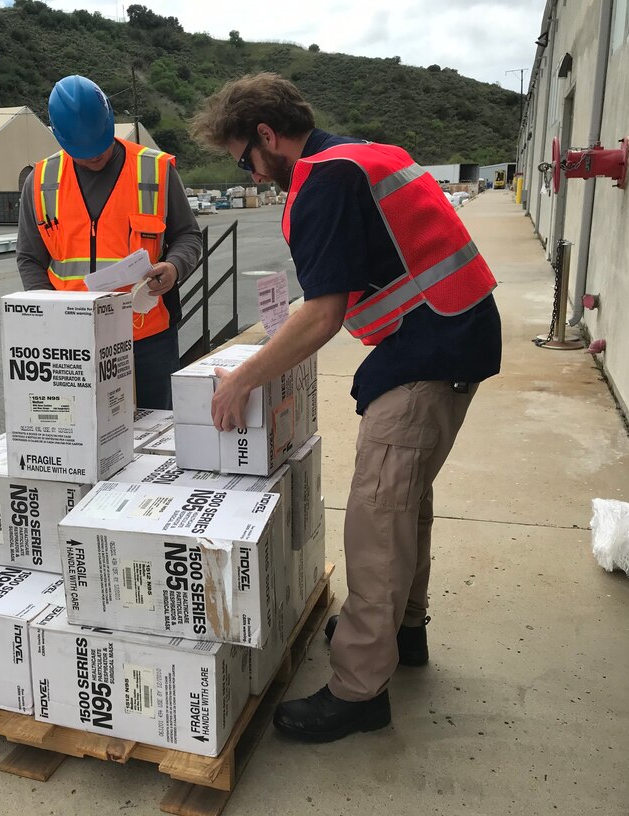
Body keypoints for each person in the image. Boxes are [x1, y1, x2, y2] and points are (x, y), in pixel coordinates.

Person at [191, 73, 502, 742]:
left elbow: (323, 313)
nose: (250, 170)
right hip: (454, 333)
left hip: (432, 347)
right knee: (406, 498)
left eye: (245, 157)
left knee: (376, 516)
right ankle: (405, 629)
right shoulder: (365, 154)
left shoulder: (323, 182)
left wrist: (242, 378)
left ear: (268, 137)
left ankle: (360, 688)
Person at [17, 75, 202, 409]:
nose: (94, 157)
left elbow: (188, 236)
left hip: (147, 340)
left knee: (155, 434)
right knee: (83, 438)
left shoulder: (155, 169)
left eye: (100, 145)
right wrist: (47, 312)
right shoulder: (41, 182)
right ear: (58, 137)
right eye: (82, 151)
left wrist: (174, 268)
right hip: (73, 342)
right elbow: (29, 258)